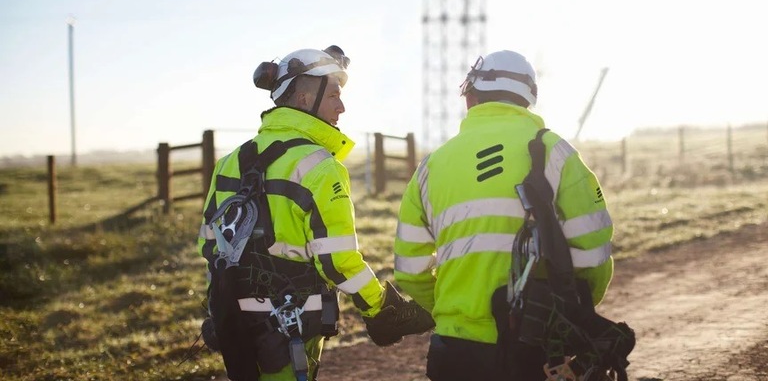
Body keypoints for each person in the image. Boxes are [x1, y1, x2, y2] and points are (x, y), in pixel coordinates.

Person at [197, 45, 433, 381]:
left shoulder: (228, 162)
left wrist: (217, 309)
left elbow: (210, 246)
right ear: (305, 99)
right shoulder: (320, 166)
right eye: (334, 95)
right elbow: (338, 260)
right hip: (289, 326)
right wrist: (381, 309)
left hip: (233, 322)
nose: (342, 107)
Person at [393, 50, 624, 380]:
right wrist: (571, 314)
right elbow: (593, 254)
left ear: (470, 98)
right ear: (528, 99)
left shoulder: (431, 166)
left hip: (454, 348)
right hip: (535, 345)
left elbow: (409, 269)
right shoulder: (557, 154)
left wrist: (450, 312)